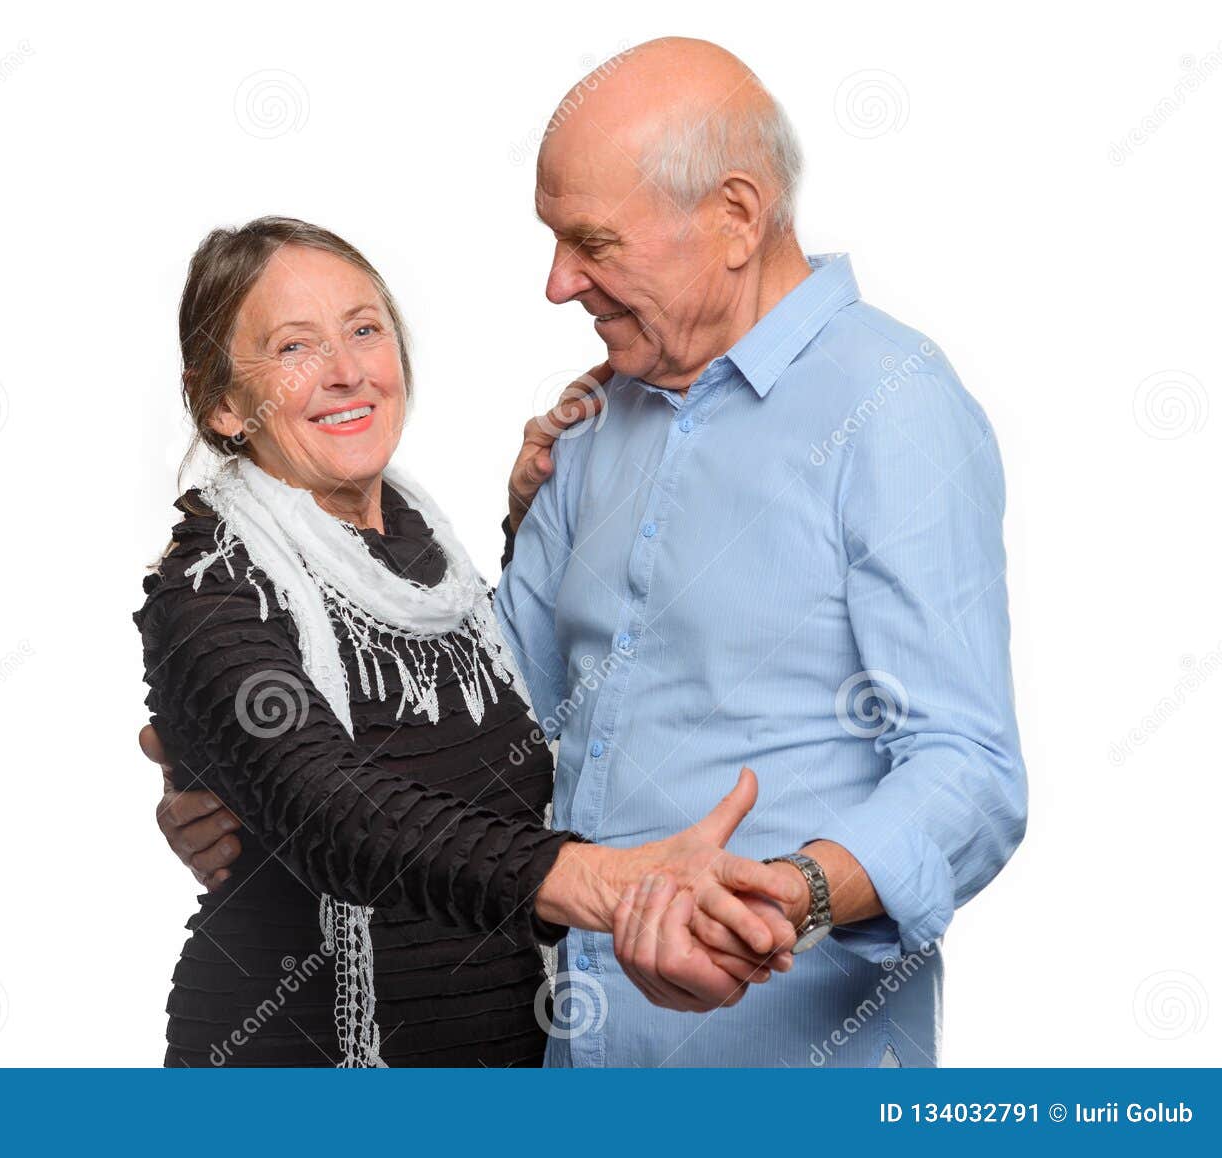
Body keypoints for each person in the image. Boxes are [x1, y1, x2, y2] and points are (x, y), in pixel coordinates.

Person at [154, 38, 1028, 1068]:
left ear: (736, 217)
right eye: (554, 240)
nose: (558, 283)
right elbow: (491, 713)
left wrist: (796, 892)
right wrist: (246, 785)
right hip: (560, 1053)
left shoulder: (893, 405)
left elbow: (968, 773)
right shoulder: (593, 418)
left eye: (593, 242)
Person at [134, 215, 804, 1067]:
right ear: (223, 403)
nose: (347, 373)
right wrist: (608, 883)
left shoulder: (420, 550)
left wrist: (537, 525)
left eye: (366, 330)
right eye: (294, 348)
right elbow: (334, 810)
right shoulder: (208, 583)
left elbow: (475, 741)